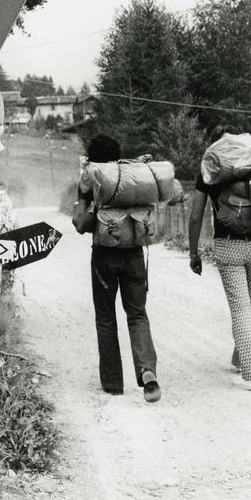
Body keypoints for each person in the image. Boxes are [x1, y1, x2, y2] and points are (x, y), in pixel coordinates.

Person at [75, 134, 160, 402]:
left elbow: (81, 224)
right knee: (137, 315)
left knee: (106, 318)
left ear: (92, 158)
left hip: (104, 257)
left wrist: (86, 203)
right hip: (134, 255)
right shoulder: (131, 178)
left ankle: (113, 382)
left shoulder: (92, 179)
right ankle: (147, 370)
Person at [187, 125, 251, 392]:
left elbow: (196, 215)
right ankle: (240, 357)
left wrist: (194, 252)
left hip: (228, 246)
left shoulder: (210, 172)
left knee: (239, 309)